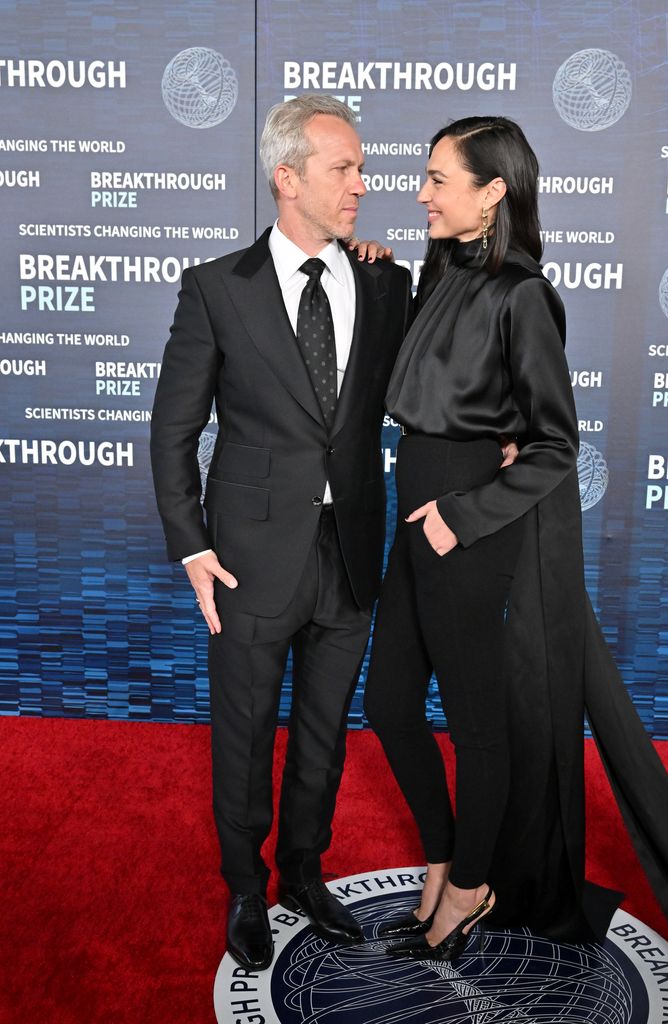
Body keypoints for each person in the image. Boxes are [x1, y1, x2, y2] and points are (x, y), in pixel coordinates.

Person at [363, 115, 668, 1017]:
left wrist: (462, 517)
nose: (422, 191)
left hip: (464, 525)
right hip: (413, 506)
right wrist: (377, 267)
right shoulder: (442, 268)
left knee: (476, 722)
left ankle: (470, 888)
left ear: (492, 191)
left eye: (437, 178)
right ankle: (445, 862)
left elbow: (554, 447)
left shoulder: (524, 295)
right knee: (389, 701)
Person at [150, 95, 411, 972]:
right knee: (245, 730)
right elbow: (173, 431)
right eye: (345, 169)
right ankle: (243, 887)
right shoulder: (217, 288)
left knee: (325, 732)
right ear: (287, 176)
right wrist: (193, 546)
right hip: (249, 560)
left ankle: (304, 872)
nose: (363, 186)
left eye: (364, 168)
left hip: (351, 559)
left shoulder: (384, 280)